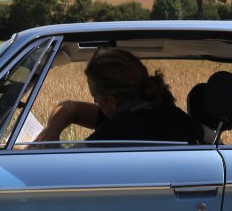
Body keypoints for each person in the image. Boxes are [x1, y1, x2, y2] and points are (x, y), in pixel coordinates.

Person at [33, 47, 202, 144]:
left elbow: (69, 164)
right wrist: (53, 129)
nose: (95, 102)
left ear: (111, 101)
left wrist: (42, 148)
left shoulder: (121, 127)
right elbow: (71, 108)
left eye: (96, 97)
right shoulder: (165, 112)